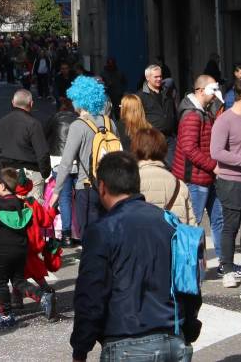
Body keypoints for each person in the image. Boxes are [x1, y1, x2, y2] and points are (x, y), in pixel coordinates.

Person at [71, 152, 201, 361]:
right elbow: (189, 281)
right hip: (174, 339)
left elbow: (91, 293)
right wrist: (188, 328)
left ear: (102, 186)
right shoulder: (170, 223)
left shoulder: (103, 229)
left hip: (126, 342)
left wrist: (80, 348)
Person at [50, 75, 120, 242]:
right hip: (110, 185)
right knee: (107, 232)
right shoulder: (109, 122)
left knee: (89, 236)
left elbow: (66, 162)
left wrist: (56, 192)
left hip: (87, 186)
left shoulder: (78, 125)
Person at [0, 167, 56, 328]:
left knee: (0, 282)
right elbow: (38, 222)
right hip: (22, 248)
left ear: (3, 186)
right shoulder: (25, 205)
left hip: (4, 250)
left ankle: (6, 314)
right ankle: (43, 296)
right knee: (18, 280)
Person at [210, 76, 241, 289]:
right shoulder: (224, 120)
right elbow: (216, 152)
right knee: (231, 226)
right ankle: (228, 269)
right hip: (230, 181)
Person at [173, 75, 224, 262]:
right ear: (201, 91)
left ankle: (222, 262)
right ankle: (189, 262)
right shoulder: (192, 115)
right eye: (213, 91)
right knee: (193, 223)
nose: (216, 96)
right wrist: (213, 166)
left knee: (218, 219)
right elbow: (189, 149)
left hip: (207, 177)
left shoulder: (204, 112)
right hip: (195, 179)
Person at [0, 89, 51, 199]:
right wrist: (44, 173)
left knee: (12, 209)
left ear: (13, 102)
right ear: (31, 104)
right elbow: (43, 153)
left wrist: (2, 173)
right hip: (31, 174)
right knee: (34, 210)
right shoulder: (33, 124)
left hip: (8, 174)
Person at [132, 127, 194, 224]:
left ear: (135, 148)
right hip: (172, 237)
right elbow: (191, 227)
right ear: (163, 149)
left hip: (141, 237)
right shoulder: (179, 185)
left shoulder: (129, 183)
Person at [45, 97, 78, 243]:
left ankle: (66, 234)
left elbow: (45, 136)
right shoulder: (78, 120)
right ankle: (80, 231)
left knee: (63, 198)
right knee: (79, 197)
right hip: (77, 161)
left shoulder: (54, 119)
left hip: (58, 161)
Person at [137, 64, 178, 166]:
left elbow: (173, 112)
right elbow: (137, 119)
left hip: (169, 138)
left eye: (160, 76)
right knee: (156, 166)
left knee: (173, 166)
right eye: (156, 77)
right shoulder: (140, 96)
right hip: (152, 139)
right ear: (147, 78)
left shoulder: (167, 92)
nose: (159, 79)